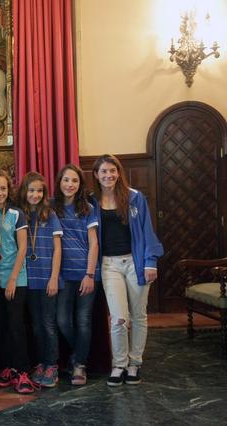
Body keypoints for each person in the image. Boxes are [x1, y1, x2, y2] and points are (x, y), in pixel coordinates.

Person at [91, 154, 163, 386]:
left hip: (136, 262)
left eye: (112, 170)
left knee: (139, 315)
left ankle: (135, 363)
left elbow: (147, 230)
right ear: (96, 175)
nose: (108, 175)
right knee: (119, 317)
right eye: (103, 171)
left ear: (118, 172)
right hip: (109, 265)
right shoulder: (92, 201)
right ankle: (119, 364)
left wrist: (150, 261)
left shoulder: (134, 197)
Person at [0, 171, 35, 394]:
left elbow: (22, 248)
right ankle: (8, 369)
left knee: (15, 325)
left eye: (3, 188)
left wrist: (13, 278)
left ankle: (22, 372)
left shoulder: (16, 213)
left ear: (8, 189)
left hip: (15, 277)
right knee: (0, 325)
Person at [52, 165, 99, 386]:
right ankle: (79, 354)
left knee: (83, 321)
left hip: (85, 274)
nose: (70, 184)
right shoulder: (52, 207)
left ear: (80, 185)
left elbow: (94, 243)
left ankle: (79, 364)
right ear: (59, 182)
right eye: (66, 180)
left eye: (75, 181)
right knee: (62, 321)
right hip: (62, 274)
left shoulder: (88, 208)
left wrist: (90, 274)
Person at [17, 172, 63, 388]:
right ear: (24, 192)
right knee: (36, 325)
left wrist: (54, 278)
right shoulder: (21, 215)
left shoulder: (50, 215)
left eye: (39, 191)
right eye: (31, 190)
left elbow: (57, 249)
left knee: (48, 324)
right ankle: (41, 364)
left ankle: (52, 365)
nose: (35, 195)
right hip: (29, 280)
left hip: (47, 279)